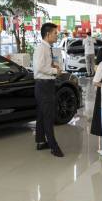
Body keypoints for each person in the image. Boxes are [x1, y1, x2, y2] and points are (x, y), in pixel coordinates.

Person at [33, 22, 64, 157]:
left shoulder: (47, 48)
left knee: (41, 115)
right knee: (48, 117)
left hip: (45, 85)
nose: (57, 35)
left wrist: (54, 66)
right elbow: (39, 67)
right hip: (44, 85)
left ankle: (40, 141)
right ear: (48, 34)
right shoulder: (42, 48)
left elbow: (44, 64)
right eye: (55, 33)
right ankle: (53, 146)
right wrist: (54, 71)